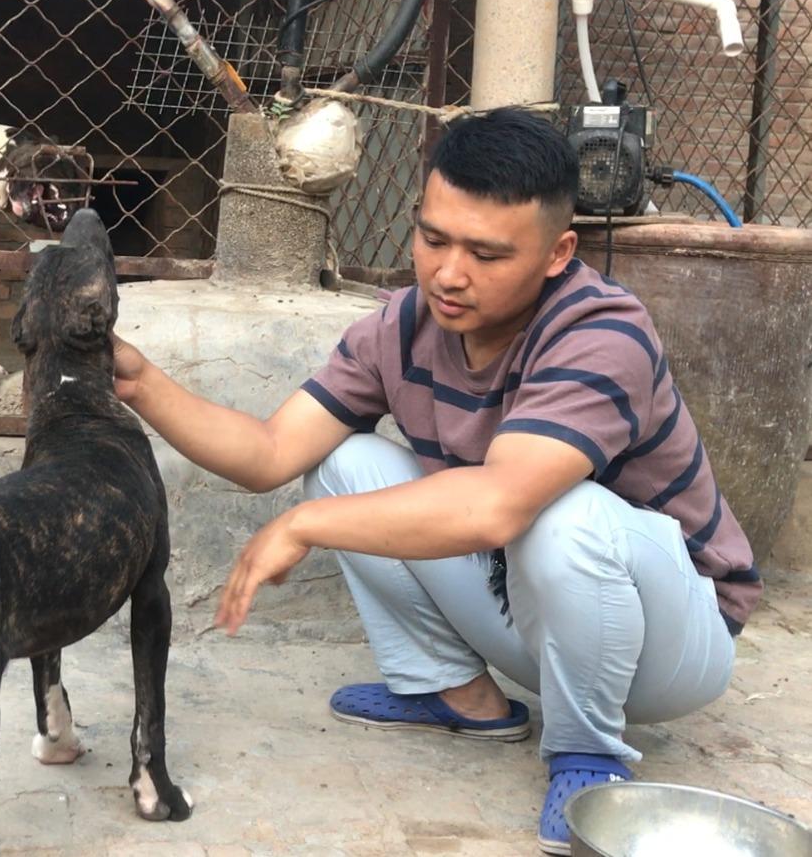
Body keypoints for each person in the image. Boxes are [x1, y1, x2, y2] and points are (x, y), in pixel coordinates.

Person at [110, 107, 760, 855]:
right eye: (433, 238)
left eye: (487, 254)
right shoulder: (400, 324)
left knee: (563, 511)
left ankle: (587, 754)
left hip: (672, 643)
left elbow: (495, 505)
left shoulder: (600, 331)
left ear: (558, 253)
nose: (448, 273)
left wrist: (300, 527)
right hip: (532, 614)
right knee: (342, 461)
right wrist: (141, 382)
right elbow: (268, 452)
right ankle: (456, 693)